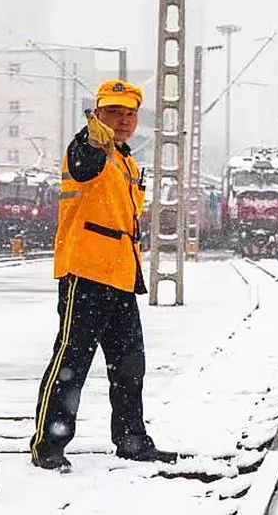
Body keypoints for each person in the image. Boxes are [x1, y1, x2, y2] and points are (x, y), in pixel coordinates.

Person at [30, 79, 175, 472]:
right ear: (97, 113)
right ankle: (49, 445)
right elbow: (83, 167)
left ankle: (131, 440)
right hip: (86, 270)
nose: (123, 120)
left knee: (129, 365)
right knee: (72, 360)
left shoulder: (127, 161)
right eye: (113, 112)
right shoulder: (88, 147)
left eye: (129, 114)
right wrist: (93, 139)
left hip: (122, 275)